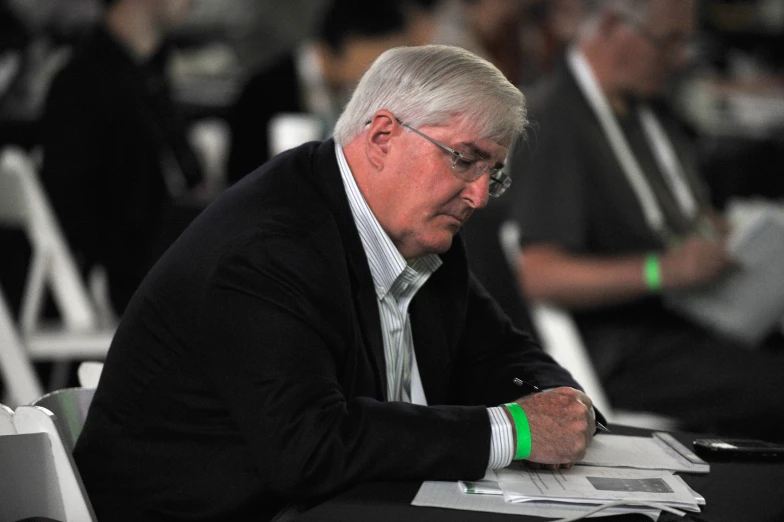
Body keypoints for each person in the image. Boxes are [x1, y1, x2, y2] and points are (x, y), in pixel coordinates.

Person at [74, 45, 600, 521]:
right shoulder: (268, 248)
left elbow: (498, 352)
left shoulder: (418, 228)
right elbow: (311, 447)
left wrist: (557, 403)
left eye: (495, 174)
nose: (481, 196)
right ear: (383, 137)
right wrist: (514, 431)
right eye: (466, 159)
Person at [510, 0, 784, 439]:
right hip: (623, 344)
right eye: (669, 41)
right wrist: (663, 270)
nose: (681, 58)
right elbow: (538, 275)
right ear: (615, 27)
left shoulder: (647, 108)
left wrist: (715, 231)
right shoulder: (555, 121)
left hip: (687, 318)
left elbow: (668, 209)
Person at [40, 0, 203, 315]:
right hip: (131, 292)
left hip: (164, 276)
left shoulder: (147, 75)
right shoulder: (82, 85)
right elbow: (78, 222)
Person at [226, 0, 412, 184]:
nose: (385, 71)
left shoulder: (353, 90)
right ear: (349, 43)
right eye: (380, 56)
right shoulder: (265, 91)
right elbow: (243, 176)